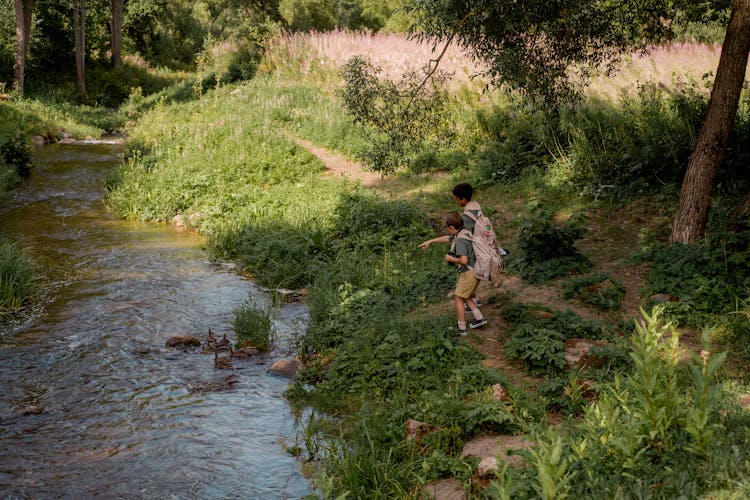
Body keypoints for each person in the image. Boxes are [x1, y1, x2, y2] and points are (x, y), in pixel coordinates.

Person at [419, 213, 488, 335]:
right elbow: (447, 238)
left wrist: (450, 259)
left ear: (451, 227)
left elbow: (463, 260)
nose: (447, 229)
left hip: (468, 273)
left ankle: (461, 328)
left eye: (447, 227)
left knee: (458, 298)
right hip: (474, 271)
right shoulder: (463, 233)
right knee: (466, 296)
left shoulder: (460, 240)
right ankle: (479, 318)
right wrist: (430, 241)